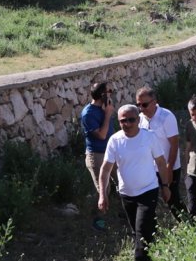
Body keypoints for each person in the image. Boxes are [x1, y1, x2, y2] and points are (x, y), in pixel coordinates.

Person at [98, 105, 171, 261]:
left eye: (131, 120)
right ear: (118, 122)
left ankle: (141, 256)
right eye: (123, 120)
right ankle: (150, 250)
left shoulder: (149, 137)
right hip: (127, 194)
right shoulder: (115, 140)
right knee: (137, 231)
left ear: (138, 120)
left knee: (142, 232)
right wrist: (102, 195)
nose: (128, 123)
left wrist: (165, 186)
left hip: (148, 190)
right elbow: (105, 170)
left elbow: (160, 162)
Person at [136, 87, 183, 221]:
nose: (141, 108)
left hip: (168, 166)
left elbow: (174, 145)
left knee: (172, 200)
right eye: (138, 105)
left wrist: (169, 169)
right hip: (150, 169)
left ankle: (190, 226)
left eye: (144, 104)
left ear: (154, 101)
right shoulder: (139, 119)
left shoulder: (166, 117)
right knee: (149, 202)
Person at [80, 82, 116, 232]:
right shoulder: (88, 113)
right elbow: (101, 135)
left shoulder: (101, 109)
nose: (111, 94)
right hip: (97, 155)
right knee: (103, 190)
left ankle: (123, 214)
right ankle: (98, 221)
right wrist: (108, 115)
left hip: (111, 153)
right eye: (109, 92)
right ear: (103, 95)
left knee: (122, 181)